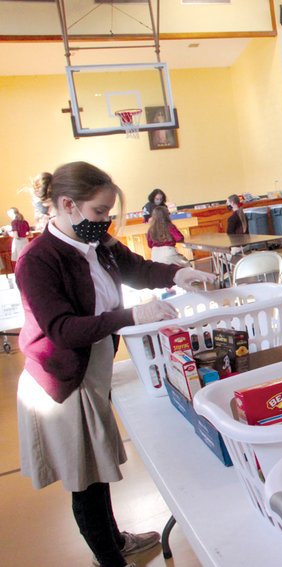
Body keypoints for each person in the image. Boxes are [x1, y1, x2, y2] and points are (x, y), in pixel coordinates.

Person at [15, 161, 214, 567]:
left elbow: (137, 269)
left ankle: (113, 540)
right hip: (64, 378)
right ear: (67, 205)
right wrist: (132, 317)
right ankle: (109, 558)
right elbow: (62, 330)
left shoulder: (97, 244)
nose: (104, 221)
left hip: (94, 364)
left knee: (98, 466)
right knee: (85, 479)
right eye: (99, 212)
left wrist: (180, 274)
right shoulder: (39, 261)